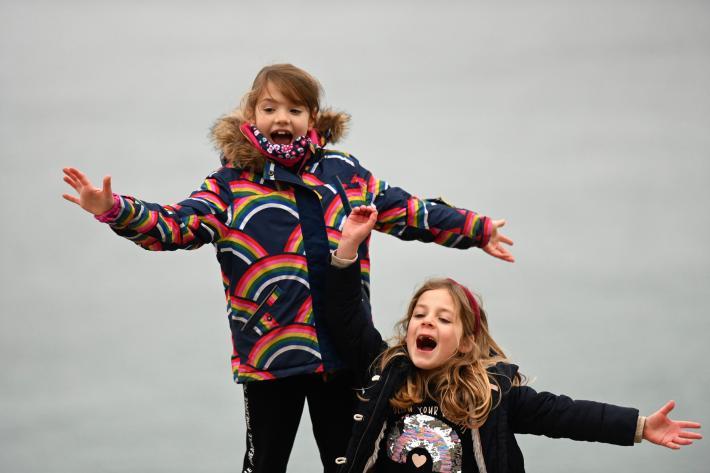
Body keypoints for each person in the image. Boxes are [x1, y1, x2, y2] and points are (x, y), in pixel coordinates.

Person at [61, 64, 514, 473]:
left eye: (295, 109)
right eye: (270, 108)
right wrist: (115, 210)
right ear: (251, 117)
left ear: (312, 119)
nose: (282, 119)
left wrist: (476, 229)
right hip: (270, 358)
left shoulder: (345, 174)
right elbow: (175, 226)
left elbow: (408, 211)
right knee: (264, 465)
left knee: (352, 462)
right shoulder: (230, 187)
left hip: (344, 355)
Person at [323, 205, 702, 473]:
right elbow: (346, 318)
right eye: (419, 316)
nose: (427, 323)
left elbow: (566, 416)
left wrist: (637, 426)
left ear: (467, 342)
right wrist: (348, 248)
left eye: (443, 318)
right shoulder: (385, 375)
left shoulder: (493, 395)